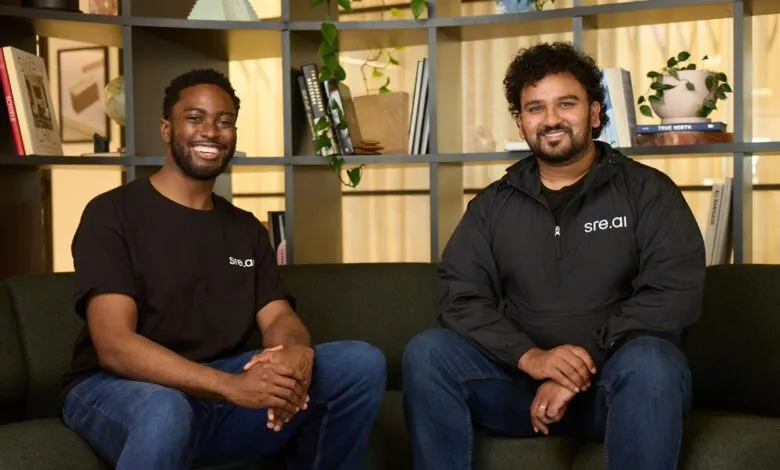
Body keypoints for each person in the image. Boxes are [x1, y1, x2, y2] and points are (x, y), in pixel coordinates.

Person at [60, 68, 386, 470]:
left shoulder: (245, 228)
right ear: (166, 128)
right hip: (118, 389)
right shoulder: (112, 214)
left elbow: (279, 316)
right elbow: (114, 344)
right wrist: (231, 387)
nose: (211, 132)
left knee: (360, 364)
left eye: (225, 121)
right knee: (166, 409)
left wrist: (295, 354)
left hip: (218, 392)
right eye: (195, 118)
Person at [402, 42, 705, 469]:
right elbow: (459, 296)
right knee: (428, 353)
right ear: (521, 122)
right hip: (519, 387)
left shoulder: (649, 193)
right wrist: (533, 359)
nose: (551, 120)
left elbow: (672, 294)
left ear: (596, 113)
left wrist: (577, 368)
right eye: (535, 108)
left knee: (655, 361)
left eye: (566, 103)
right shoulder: (492, 205)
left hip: (616, 389)